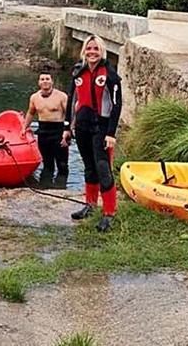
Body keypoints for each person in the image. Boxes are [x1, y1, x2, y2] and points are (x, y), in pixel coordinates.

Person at [62, 35, 122, 230]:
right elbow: (72, 100)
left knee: (103, 168)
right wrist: (66, 128)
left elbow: (116, 104)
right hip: (83, 127)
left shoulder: (109, 73)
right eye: (89, 49)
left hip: (101, 127)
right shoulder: (78, 71)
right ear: (84, 51)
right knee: (89, 167)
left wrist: (111, 133)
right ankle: (90, 204)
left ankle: (109, 212)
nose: (92, 52)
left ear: (102, 51)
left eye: (96, 49)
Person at [22, 71, 69, 185]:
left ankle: (61, 187)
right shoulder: (34, 97)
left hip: (59, 130)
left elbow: (70, 115)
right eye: (42, 79)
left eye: (47, 79)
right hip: (43, 131)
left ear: (52, 81)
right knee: (47, 163)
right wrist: (24, 128)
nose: (45, 81)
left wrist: (68, 132)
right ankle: (45, 186)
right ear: (39, 82)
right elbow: (30, 113)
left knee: (62, 164)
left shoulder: (61, 96)